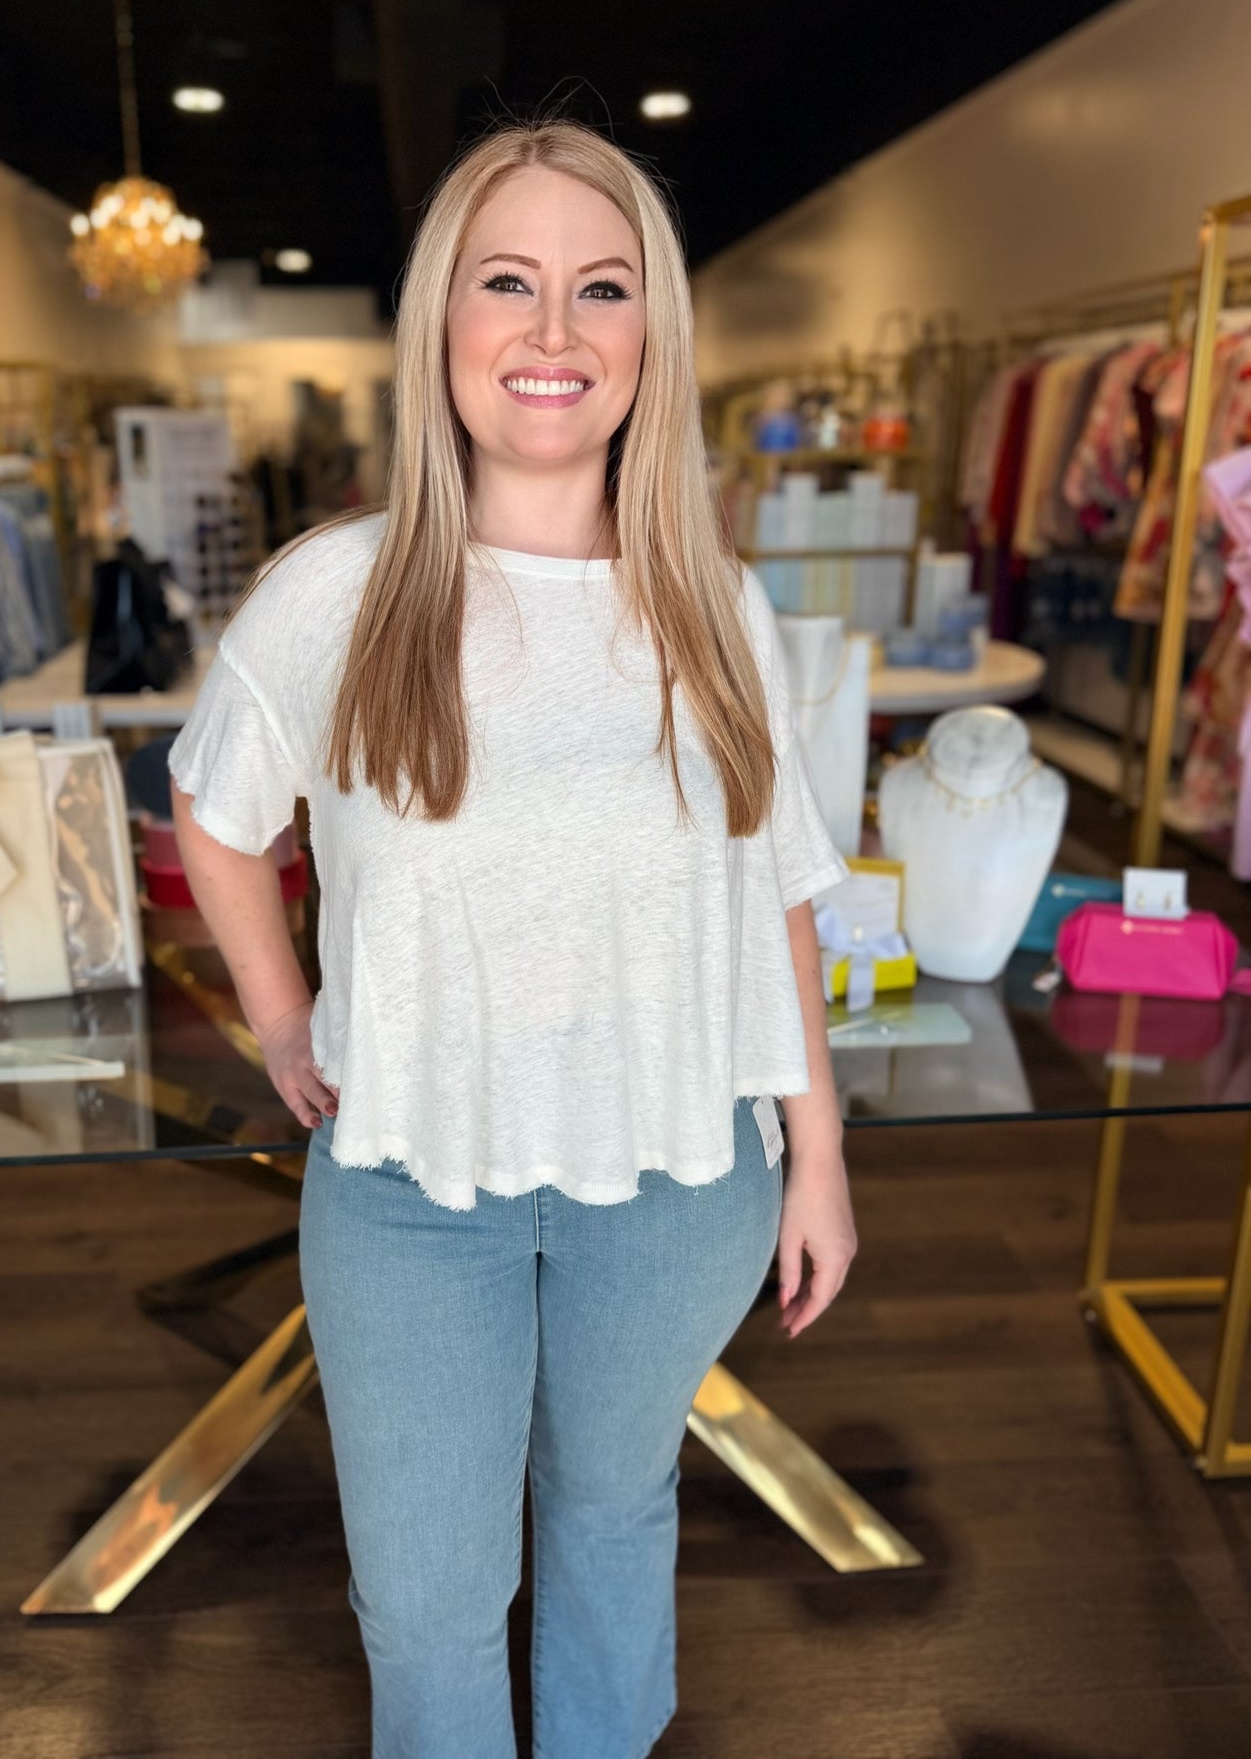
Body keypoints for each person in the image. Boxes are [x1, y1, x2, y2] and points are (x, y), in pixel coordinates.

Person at [168, 116, 858, 1759]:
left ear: (650, 340)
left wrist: (817, 1152)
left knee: (615, 1521)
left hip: (684, 1183)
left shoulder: (716, 608)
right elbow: (213, 813)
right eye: (508, 280)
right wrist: (282, 1020)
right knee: (424, 1603)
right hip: (412, 1194)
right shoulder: (336, 596)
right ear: (443, 325)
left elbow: (774, 892)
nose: (553, 332)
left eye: (601, 288)